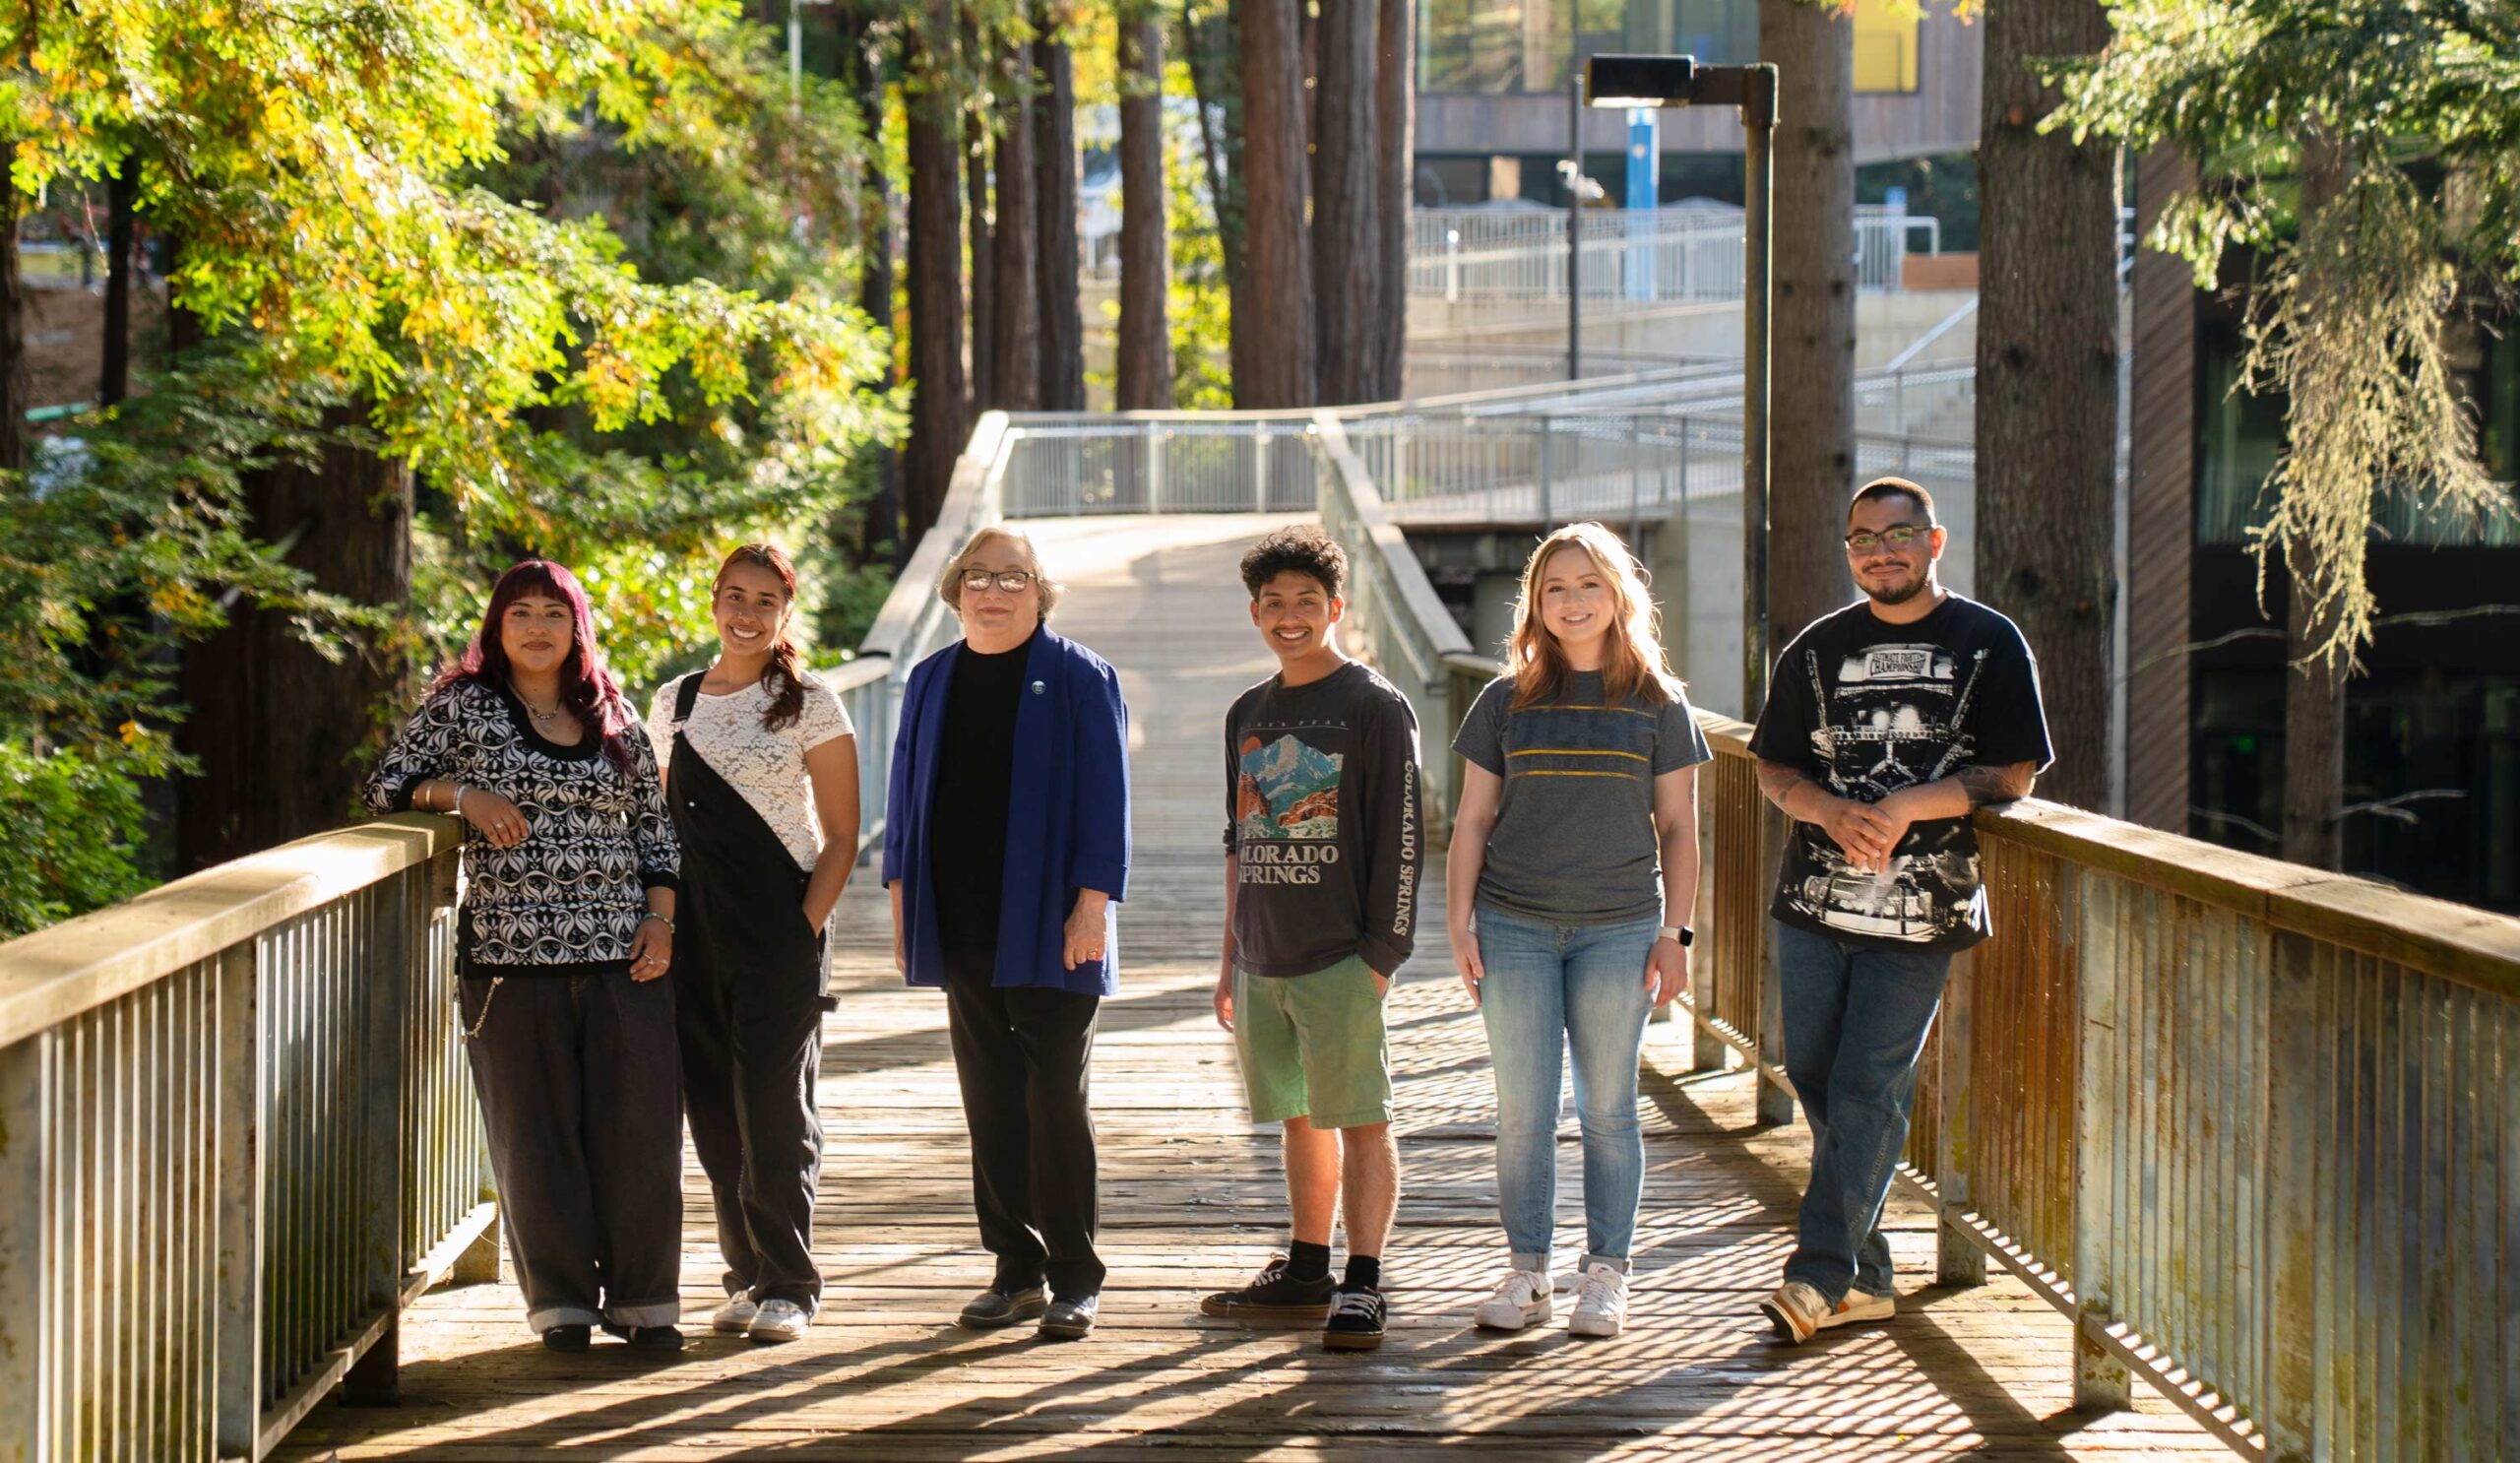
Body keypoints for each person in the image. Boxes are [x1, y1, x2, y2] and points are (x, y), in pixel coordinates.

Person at [1747, 477, 2051, 1343]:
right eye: (1864, 539)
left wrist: (1915, 803)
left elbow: (2014, 773)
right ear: (1850, 552)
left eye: (1899, 534)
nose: (1881, 550)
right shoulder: (1814, 650)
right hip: (1813, 903)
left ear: (1935, 541)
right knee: (1816, 1079)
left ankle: (1815, 1277)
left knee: (1868, 1087)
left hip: (1924, 913)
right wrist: (1830, 811)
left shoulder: (1989, 642)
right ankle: (1869, 1278)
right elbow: (1774, 768)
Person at [362, 559, 685, 1353]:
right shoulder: (463, 706)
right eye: (521, 614)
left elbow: (655, 828)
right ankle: (563, 1306)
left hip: (624, 957)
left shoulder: (610, 710)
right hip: (510, 962)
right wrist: (462, 797)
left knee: (640, 1136)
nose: (537, 627)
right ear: (497, 628)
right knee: (535, 1141)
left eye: (553, 613)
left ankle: (646, 1303)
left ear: (577, 627)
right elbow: (385, 786)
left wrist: (662, 920)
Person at [1447, 523, 1709, 1340]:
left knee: (1608, 1108)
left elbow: (1680, 832)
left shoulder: (1659, 704)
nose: (1571, 601)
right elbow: (1473, 819)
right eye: (1554, 588)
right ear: (1535, 603)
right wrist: (1458, 921)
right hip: (1513, 924)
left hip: (1620, 929)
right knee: (1524, 1110)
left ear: (1618, 594)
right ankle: (1528, 1274)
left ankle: (1607, 1272)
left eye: (1588, 584)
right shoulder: (1505, 701)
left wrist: (1679, 935)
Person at [884, 525, 1131, 1342]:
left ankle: (1076, 1274)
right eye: (978, 577)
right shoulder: (929, 679)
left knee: (1055, 1096)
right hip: (961, 917)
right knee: (988, 1095)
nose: (993, 591)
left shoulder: (1078, 677)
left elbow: (1105, 801)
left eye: (1012, 577)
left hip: (1054, 920)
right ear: (955, 590)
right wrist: (901, 906)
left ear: (1039, 591)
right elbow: (908, 800)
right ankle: (1015, 1267)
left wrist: (1092, 906)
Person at [1204, 525, 1422, 1353]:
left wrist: (1382, 956)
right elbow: (1238, 837)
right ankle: (1307, 1267)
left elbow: (1403, 840)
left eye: (1306, 602)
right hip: (1263, 956)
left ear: (1336, 608)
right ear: (1255, 613)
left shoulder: (1372, 705)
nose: (1289, 617)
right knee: (1298, 1117)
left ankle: (1364, 1283)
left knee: (1361, 1117)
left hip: (1342, 956)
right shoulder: (1247, 713)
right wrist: (1230, 956)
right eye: (1273, 603)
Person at [648, 543, 859, 1345]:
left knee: (775, 1107)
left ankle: (793, 1283)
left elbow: (841, 837)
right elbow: (660, 825)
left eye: (765, 600)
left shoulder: (811, 703)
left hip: (780, 924)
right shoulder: (674, 701)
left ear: (786, 612)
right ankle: (746, 1275)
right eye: (734, 596)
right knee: (713, 1111)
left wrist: (799, 930)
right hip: (694, 929)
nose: (746, 612)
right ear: (712, 601)